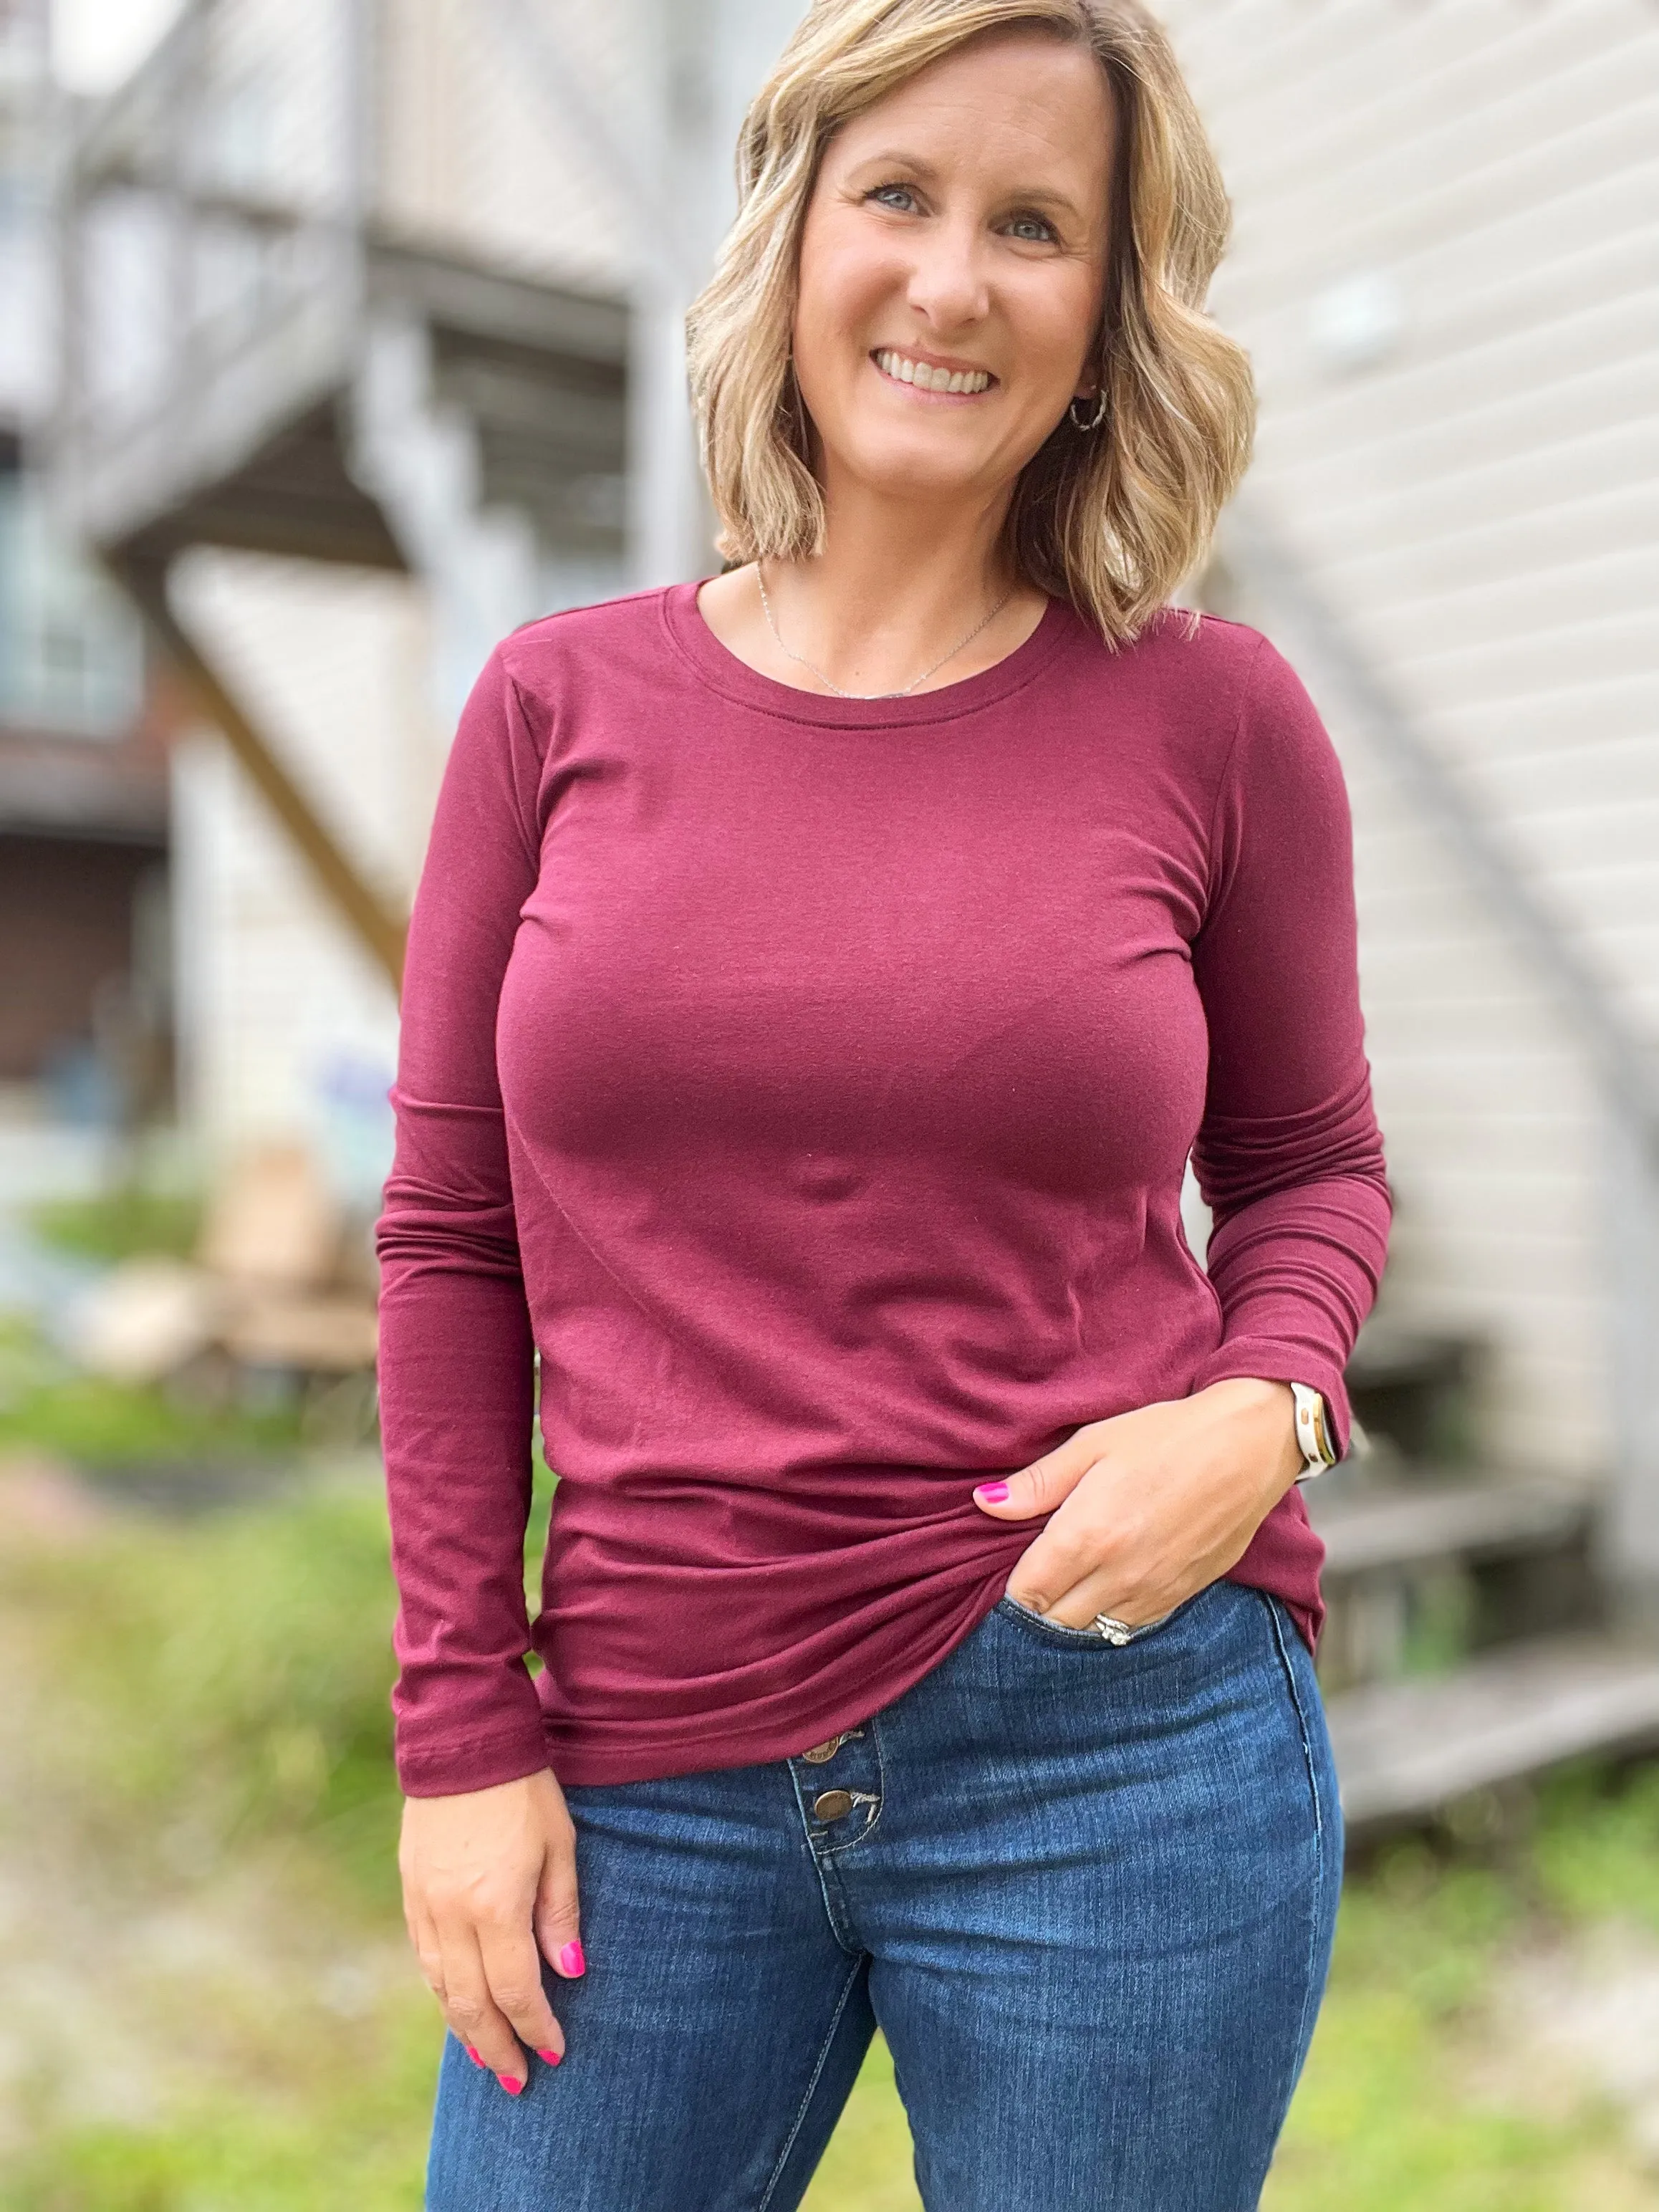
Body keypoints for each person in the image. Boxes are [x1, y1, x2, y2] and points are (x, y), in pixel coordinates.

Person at [376, 1, 1392, 2204]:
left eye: (1033, 225)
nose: (950, 282)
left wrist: (1266, 1406)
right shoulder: (555, 706)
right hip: (640, 1745)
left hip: (1111, 1737)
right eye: (899, 198)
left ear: (1108, 314)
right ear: (795, 233)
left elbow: (1308, 1171)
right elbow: (451, 1238)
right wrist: (460, 1730)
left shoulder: (1210, 718)